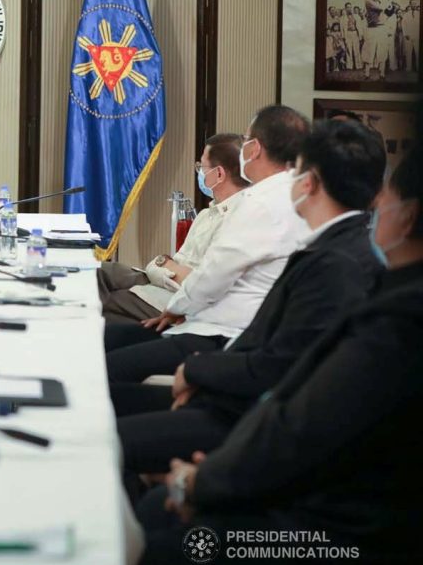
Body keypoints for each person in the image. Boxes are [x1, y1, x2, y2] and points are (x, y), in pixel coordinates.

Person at [133, 141, 423, 565]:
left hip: (335, 537)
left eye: (388, 198)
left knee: (169, 537)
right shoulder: (373, 274)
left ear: (408, 216)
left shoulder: (390, 311)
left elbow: (299, 417)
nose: (377, 206)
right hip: (304, 481)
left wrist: (201, 483)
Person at [113, 120, 386, 480]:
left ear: (308, 182)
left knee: (104, 437)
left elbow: (278, 364)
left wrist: (197, 372)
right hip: (236, 387)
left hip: (248, 416)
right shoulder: (335, 246)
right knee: (111, 403)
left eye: (295, 172)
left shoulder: (334, 263)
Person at [104, 105, 311, 383]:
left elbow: (215, 272)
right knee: (109, 340)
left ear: (255, 148)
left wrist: (177, 307)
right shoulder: (296, 197)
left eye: (246, 140)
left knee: (107, 367)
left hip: (221, 333)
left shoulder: (259, 202)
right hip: (223, 325)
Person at [97, 134, 249, 324]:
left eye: (202, 167)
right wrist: (166, 266)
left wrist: (165, 266)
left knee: (98, 302)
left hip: (176, 297)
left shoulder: (238, 219)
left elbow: (201, 283)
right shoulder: (206, 214)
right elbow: (173, 263)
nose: (199, 173)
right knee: (94, 271)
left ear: (219, 174)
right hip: (161, 280)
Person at [363, 0, 397, 80]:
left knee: (382, 50)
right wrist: (389, 1)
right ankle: (367, 73)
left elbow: (387, 14)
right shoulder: (368, 1)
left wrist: (393, 7)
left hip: (382, 28)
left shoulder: (379, 1)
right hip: (372, 29)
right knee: (370, 51)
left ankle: (382, 73)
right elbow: (381, 8)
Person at [342, 3, 364, 72]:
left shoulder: (356, 16)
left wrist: (360, 36)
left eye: (350, 7)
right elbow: (342, 29)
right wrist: (343, 37)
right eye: (348, 7)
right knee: (349, 49)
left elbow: (360, 27)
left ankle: (358, 65)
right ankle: (349, 66)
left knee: (356, 49)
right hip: (348, 33)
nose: (349, 9)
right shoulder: (343, 18)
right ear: (345, 8)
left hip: (355, 33)